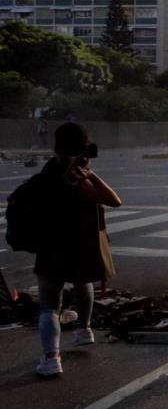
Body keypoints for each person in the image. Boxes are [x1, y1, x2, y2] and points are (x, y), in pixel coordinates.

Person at [34, 123, 122, 376]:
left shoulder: (50, 170)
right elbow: (114, 200)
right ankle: (83, 330)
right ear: (83, 146)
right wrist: (89, 174)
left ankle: (51, 357)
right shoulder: (76, 176)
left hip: (52, 245)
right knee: (80, 284)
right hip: (77, 244)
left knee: (49, 305)